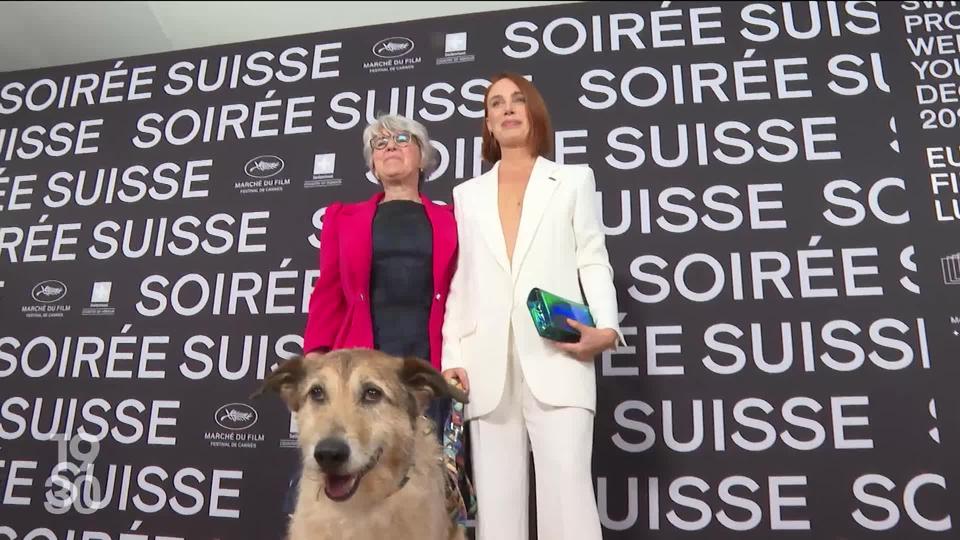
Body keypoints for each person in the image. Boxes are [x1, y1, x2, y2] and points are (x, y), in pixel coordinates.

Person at [440, 72, 624, 540]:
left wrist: (605, 328)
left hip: (559, 354)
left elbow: (592, 257)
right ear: (487, 122)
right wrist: (453, 359)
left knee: (569, 499)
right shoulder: (466, 194)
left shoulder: (573, 180)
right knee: (498, 514)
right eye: (495, 103)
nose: (506, 109)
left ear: (534, 111)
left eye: (517, 100)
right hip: (487, 368)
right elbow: (462, 281)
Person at [283, 113, 459, 515]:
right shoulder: (342, 217)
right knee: (349, 482)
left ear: (424, 155)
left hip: (427, 368)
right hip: (358, 366)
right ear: (371, 163)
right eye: (379, 144)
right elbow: (328, 290)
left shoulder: (453, 218)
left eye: (401, 138)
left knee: (426, 482)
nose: (390, 147)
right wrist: (315, 355)